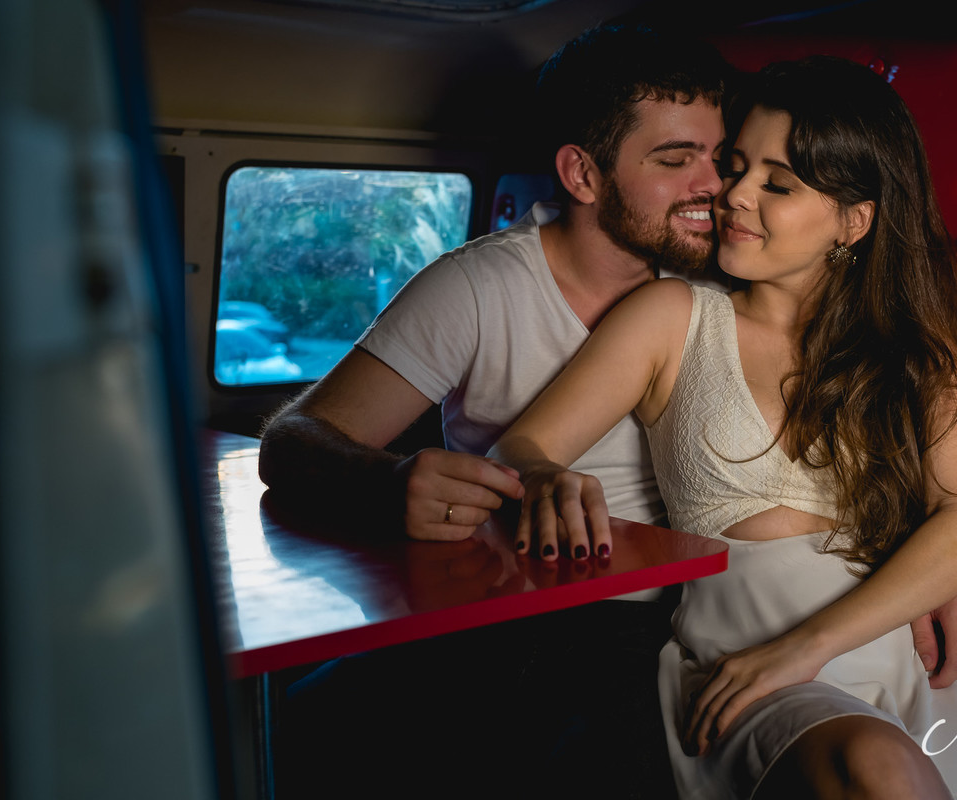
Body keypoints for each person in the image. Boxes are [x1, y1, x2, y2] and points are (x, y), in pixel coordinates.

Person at [488, 56, 957, 798]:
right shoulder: (671, 320)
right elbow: (521, 446)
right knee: (880, 771)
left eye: (777, 185)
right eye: (737, 167)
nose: (733, 195)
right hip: (747, 670)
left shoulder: (915, 352)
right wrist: (544, 475)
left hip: (914, 667)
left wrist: (808, 647)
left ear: (854, 221)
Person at [260, 23, 731, 799]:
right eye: (676, 160)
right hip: (510, 609)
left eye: (721, 158)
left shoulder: (729, 277)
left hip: (679, 617)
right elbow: (293, 440)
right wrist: (390, 482)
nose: (714, 186)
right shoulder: (477, 287)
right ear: (582, 174)